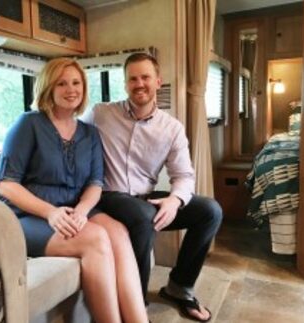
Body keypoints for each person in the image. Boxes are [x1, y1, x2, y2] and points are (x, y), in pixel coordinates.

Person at [0, 57, 149, 323]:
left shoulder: (89, 133)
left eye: (76, 82)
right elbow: (6, 184)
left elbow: (95, 183)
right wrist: (52, 213)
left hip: (76, 209)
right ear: (48, 88)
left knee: (119, 232)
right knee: (96, 239)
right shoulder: (28, 124)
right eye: (62, 83)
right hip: (32, 217)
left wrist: (81, 210)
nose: (71, 89)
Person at [88, 53, 222, 322]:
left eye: (145, 77)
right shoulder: (100, 113)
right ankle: (135, 304)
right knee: (143, 216)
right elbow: (65, 131)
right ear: (125, 84)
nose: (140, 84)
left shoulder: (171, 128)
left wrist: (174, 201)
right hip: (107, 196)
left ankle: (179, 286)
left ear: (158, 82)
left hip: (144, 198)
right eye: (133, 79)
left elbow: (183, 175)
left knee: (210, 210)